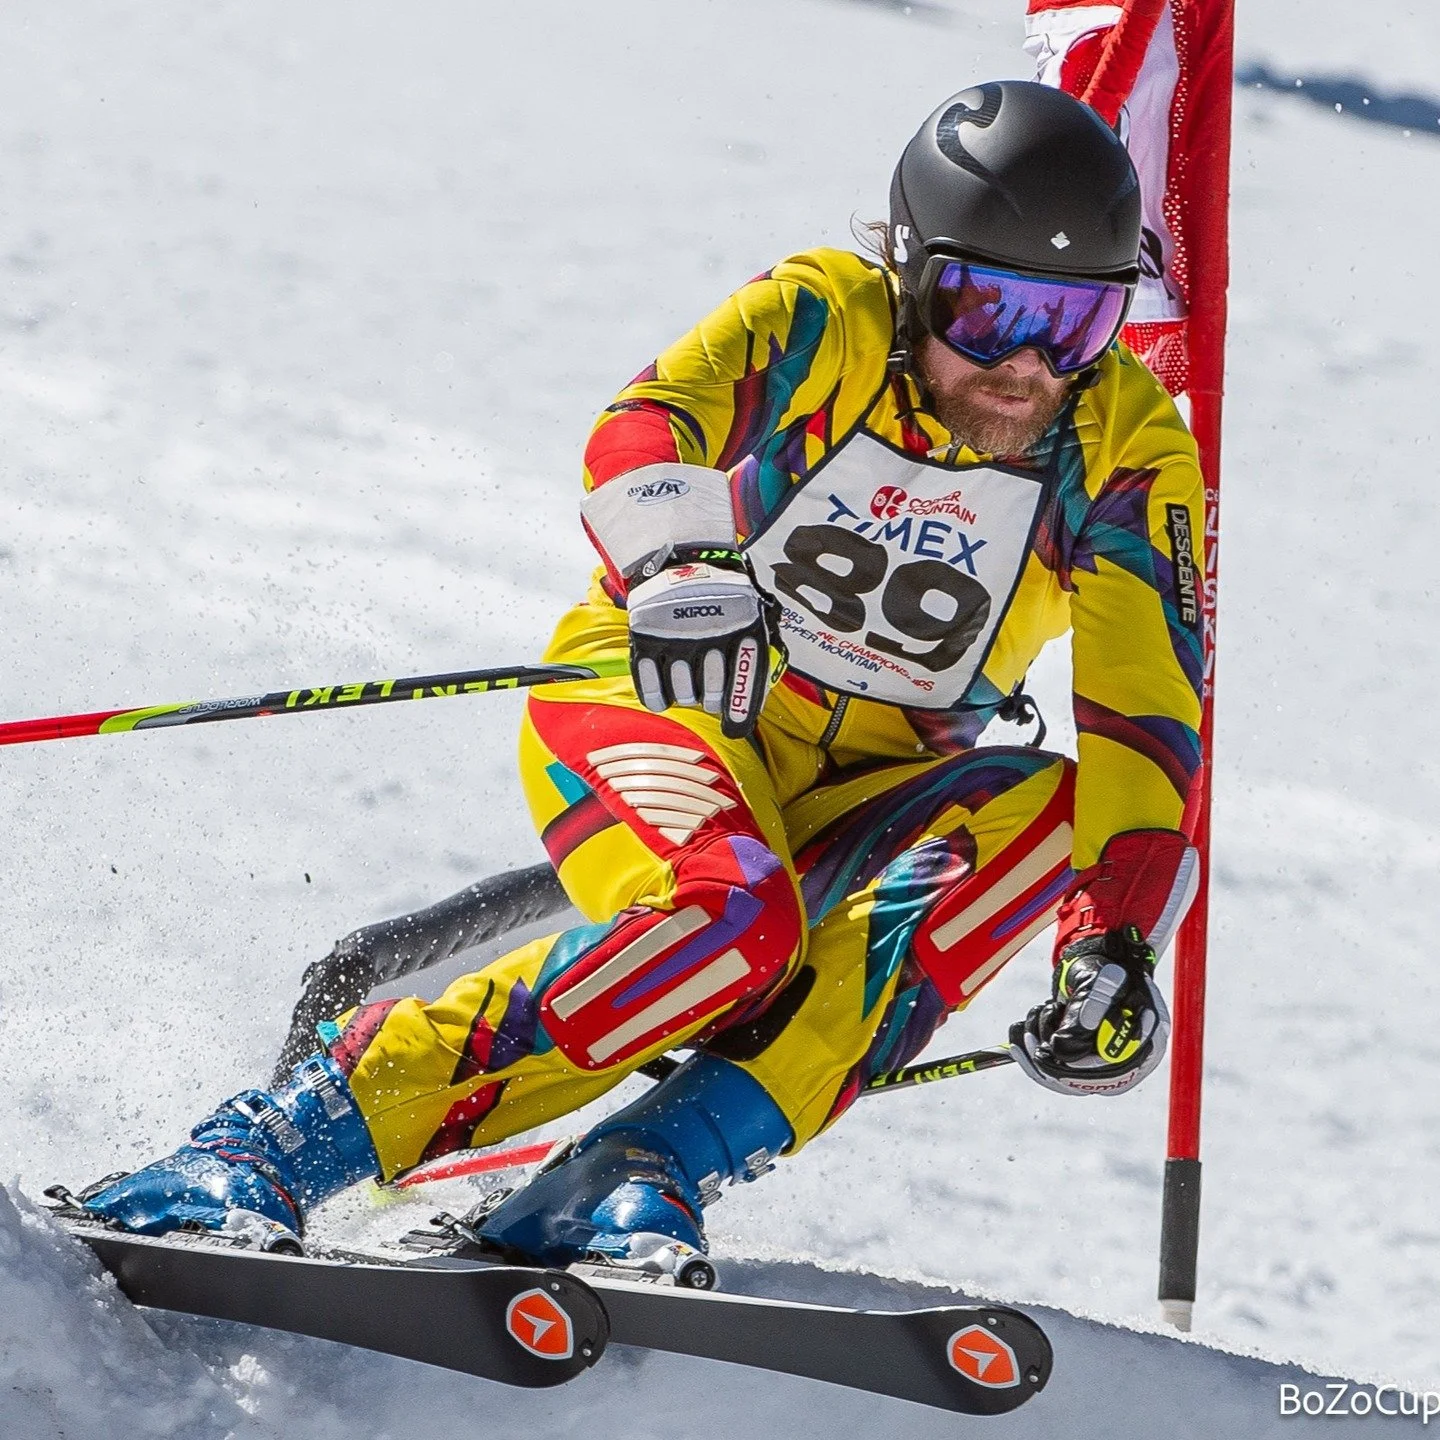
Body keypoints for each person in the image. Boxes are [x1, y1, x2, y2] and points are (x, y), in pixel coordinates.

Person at [74, 81, 1205, 1267]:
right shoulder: (823, 316)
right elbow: (650, 422)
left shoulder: (1126, 448)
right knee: (734, 916)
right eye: (989, 311)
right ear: (915, 271)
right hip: (660, 700)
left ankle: (634, 1171)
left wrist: (1112, 949)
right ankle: (268, 1147)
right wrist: (676, 563)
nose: (1027, 366)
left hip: (861, 794)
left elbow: (1147, 716)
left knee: (1063, 808)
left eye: (1075, 325)